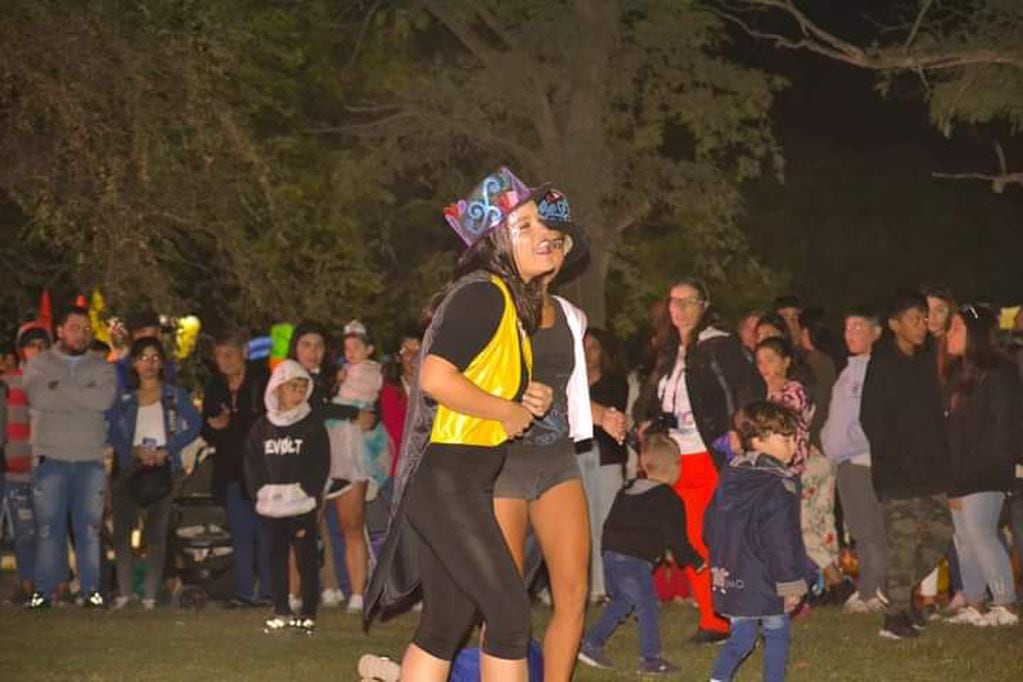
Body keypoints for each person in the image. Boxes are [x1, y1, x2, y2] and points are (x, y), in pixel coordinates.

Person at [364, 166, 555, 682]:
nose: (544, 235)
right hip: (447, 478)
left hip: (458, 478)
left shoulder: (505, 302)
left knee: (446, 621)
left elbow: (474, 383)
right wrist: (506, 410)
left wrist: (525, 397)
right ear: (496, 240)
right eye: (528, 227)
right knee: (510, 615)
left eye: (543, 225)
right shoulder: (485, 294)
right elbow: (434, 377)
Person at [491, 188, 594, 682]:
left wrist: (603, 412)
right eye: (542, 238)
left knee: (573, 594)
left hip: (556, 462)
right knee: (507, 599)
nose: (550, 248)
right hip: (501, 465)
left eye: (558, 241)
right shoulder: (495, 306)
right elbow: (464, 377)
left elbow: (565, 388)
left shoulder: (572, 317)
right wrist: (513, 394)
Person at [633, 278, 764, 644]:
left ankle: (731, 616)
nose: (678, 308)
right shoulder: (670, 351)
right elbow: (652, 399)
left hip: (711, 453)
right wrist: (646, 422)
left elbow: (750, 389)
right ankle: (713, 618)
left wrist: (740, 431)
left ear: (704, 305)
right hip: (674, 459)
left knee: (713, 537)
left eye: (687, 301)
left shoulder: (719, 345)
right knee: (688, 540)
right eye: (673, 301)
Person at [860, 292, 954, 640]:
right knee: (902, 544)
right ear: (894, 325)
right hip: (898, 472)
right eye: (915, 319)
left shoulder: (926, 358)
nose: (922, 325)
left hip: (931, 470)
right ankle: (895, 617)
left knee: (941, 533)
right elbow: (872, 419)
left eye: (924, 318)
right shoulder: (882, 363)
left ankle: (894, 590)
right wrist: (897, 457)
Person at [577, 433, 704, 676]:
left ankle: (591, 644)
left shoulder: (627, 489)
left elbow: (610, 523)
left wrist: (607, 554)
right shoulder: (668, 498)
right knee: (647, 606)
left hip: (611, 556)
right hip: (635, 562)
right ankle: (650, 659)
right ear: (677, 466)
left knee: (622, 602)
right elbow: (677, 539)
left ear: (645, 464)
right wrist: (695, 560)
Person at [706, 401, 816, 682]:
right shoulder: (780, 485)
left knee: (741, 638)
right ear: (758, 440)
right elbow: (782, 541)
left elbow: (708, 528)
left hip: (731, 575)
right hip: (768, 579)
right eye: (786, 438)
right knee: (777, 633)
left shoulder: (730, 477)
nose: (794, 445)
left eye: (795, 438)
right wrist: (791, 585)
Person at [26, 305, 117, 608]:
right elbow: (39, 397)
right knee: (49, 528)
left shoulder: (102, 366)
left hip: (89, 460)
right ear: (60, 330)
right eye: (75, 327)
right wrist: (81, 394)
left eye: (86, 328)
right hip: (51, 458)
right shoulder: (39, 364)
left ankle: (92, 591)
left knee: (89, 529)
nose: (82, 334)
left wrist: (61, 389)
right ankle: (44, 591)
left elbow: (103, 400)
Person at [107, 337, 201, 609]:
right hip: (129, 469)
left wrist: (167, 450)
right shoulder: (124, 398)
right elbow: (111, 429)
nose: (149, 364)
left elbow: (194, 425)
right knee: (123, 532)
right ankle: (125, 592)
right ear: (134, 363)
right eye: (143, 358)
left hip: (162, 470)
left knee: (156, 535)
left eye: (154, 358)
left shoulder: (173, 395)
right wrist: (132, 451)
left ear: (162, 363)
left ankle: (149, 594)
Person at [942, 305, 1020, 627]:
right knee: (964, 537)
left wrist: (976, 470)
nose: (950, 334)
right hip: (960, 471)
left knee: (981, 532)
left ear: (974, 334)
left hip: (987, 470)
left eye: (957, 327)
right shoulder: (960, 375)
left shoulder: (1000, 372)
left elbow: (1002, 428)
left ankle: (1006, 604)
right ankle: (974, 602)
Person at [245, 360, 331, 634]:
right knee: (274, 558)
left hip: (300, 504)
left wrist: (308, 490)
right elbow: (252, 461)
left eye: (303, 387)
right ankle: (280, 608)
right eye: (292, 387)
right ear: (278, 389)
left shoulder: (312, 425)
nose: (298, 393)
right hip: (271, 506)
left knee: (306, 559)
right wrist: (259, 490)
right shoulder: (262, 427)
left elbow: (321, 462)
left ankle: (308, 611)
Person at [821, 309, 888, 613]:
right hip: (844, 460)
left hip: (861, 460)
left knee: (868, 529)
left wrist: (850, 442)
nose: (850, 333)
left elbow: (872, 420)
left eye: (859, 327)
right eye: (847, 327)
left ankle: (873, 590)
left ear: (876, 332)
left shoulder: (875, 371)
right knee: (860, 529)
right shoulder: (849, 371)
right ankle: (870, 588)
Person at [201, 331, 273, 606]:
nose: (225, 361)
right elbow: (207, 427)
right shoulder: (215, 386)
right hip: (229, 469)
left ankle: (268, 591)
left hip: (261, 468)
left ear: (243, 353)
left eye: (229, 354)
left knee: (264, 533)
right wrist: (215, 426)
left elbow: (265, 421)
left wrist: (232, 421)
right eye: (219, 355)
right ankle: (244, 591)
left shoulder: (260, 381)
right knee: (240, 532)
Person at [326, 319, 390, 614]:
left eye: (356, 347)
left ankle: (358, 591)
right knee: (336, 526)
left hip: (354, 444)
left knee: (353, 523)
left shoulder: (369, 373)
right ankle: (334, 585)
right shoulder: (339, 374)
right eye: (347, 348)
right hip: (335, 439)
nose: (350, 353)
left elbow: (363, 403)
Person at [1, 322, 51, 604]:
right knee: (24, 531)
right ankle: (27, 582)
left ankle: (51, 585)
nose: (38, 351)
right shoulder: (8, 383)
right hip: (16, 470)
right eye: (32, 346)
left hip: (48, 469)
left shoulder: (54, 384)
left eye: (43, 346)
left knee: (48, 530)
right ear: (21, 350)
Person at [579, 326, 629, 602]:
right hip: (577, 454)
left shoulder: (614, 382)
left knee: (607, 521)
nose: (588, 354)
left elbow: (612, 415)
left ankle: (608, 586)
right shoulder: (570, 382)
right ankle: (587, 586)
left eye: (594, 347)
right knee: (582, 521)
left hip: (607, 457)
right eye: (583, 347)